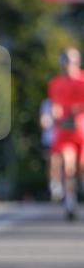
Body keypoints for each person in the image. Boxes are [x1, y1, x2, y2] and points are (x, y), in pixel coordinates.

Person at [47, 48, 84, 220]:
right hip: (65, 132)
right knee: (68, 167)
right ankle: (70, 203)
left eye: (71, 61)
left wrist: (76, 112)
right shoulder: (56, 83)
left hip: (82, 130)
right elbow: (55, 105)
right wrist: (54, 114)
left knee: (81, 168)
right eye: (65, 60)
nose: (68, 64)